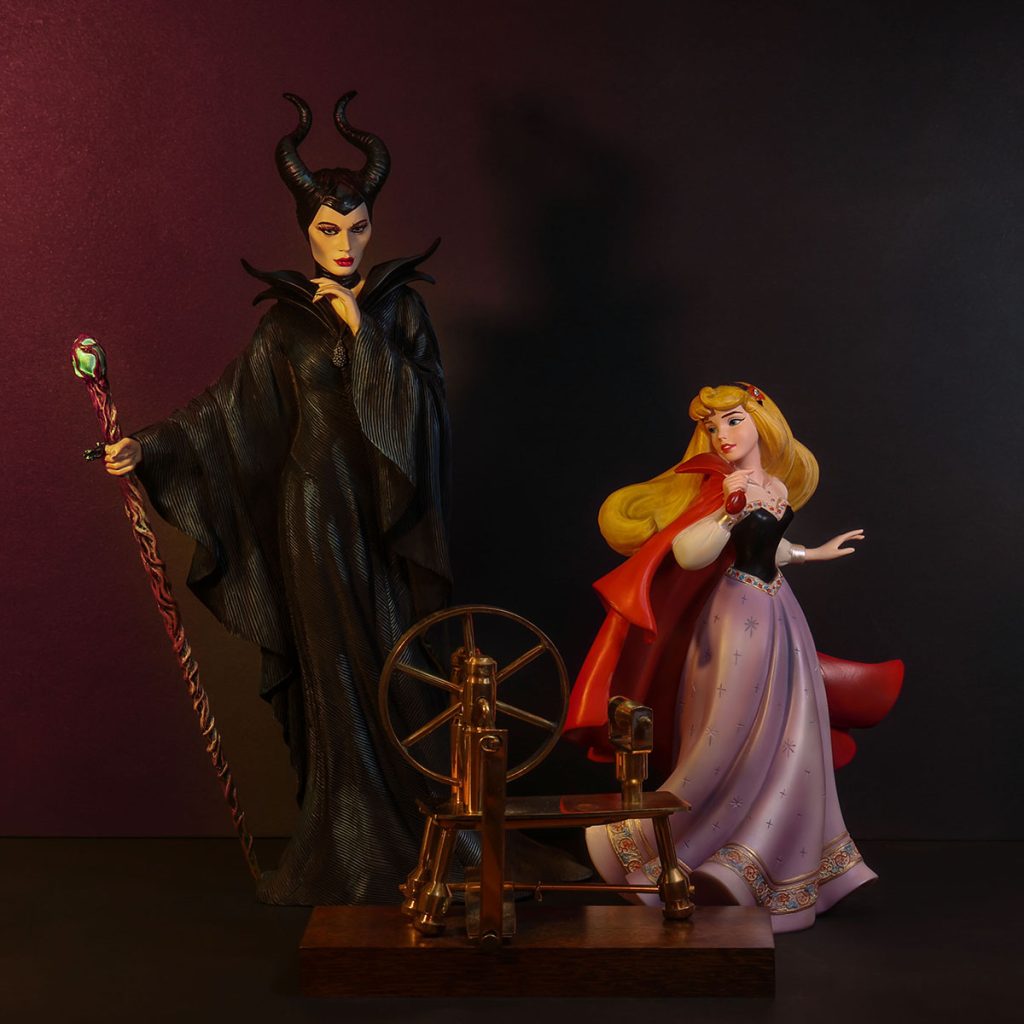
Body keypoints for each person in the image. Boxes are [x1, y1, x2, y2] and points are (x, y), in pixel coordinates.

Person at [104, 93, 462, 906]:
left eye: (358, 228)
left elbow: (430, 411)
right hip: (314, 516)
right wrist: (148, 447)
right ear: (306, 231)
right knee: (332, 664)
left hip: (386, 515)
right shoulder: (284, 328)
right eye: (329, 230)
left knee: (400, 659)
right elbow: (222, 415)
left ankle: (423, 825)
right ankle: (345, 831)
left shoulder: (401, 308)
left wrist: (364, 334)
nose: (345, 245)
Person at [565, 383, 901, 932]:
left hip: (779, 611)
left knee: (791, 728)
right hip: (735, 615)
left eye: (733, 420)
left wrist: (814, 552)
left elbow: (771, 547)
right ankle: (664, 847)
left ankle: (766, 860)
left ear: (762, 424)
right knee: (728, 730)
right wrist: (725, 509)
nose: (722, 435)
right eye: (712, 426)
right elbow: (688, 553)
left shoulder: (775, 486)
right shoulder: (718, 487)